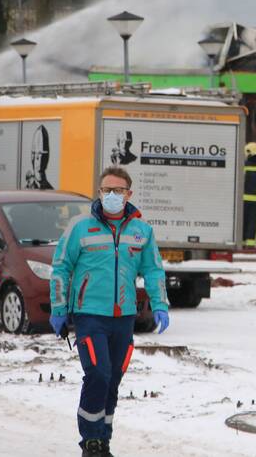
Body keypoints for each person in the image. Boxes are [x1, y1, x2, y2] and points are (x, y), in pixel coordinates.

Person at [50, 166, 170, 456]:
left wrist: (160, 304)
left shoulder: (142, 231)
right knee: (98, 374)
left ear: (129, 194)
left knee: (113, 379)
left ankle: (103, 440)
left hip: (124, 317)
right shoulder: (81, 227)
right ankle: (90, 440)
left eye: (118, 190)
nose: (112, 195)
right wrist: (58, 308)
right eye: (106, 190)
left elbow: (153, 271)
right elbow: (61, 268)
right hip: (90, 315)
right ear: (99, 192)